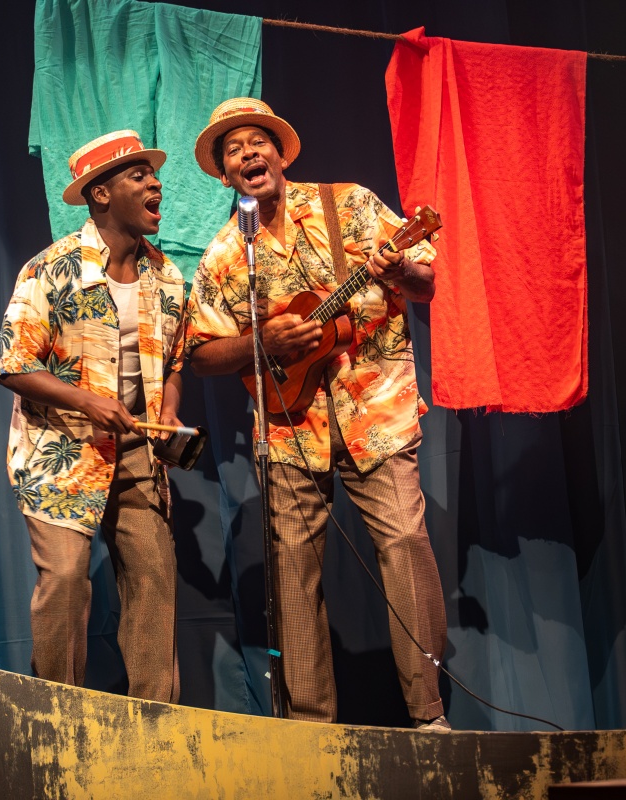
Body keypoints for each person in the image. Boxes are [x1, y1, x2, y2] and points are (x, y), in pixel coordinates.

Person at [184, 98, 450, 731]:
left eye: (258, 142)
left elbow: (425, 284)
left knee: (407, 544)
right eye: (233, 150)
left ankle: (430, 718)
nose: (248, 154)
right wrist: (263, 346)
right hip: (286, 429)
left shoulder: (350, 205)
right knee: (292, 575)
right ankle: (312, 733)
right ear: (226, 176)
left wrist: (402, 265)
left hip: (373, 413)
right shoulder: (226, 253)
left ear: (280, 154)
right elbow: (200, 353)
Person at [0, 130, 185, 702]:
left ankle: (159, 728)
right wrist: (87, 402)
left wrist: (170, 410)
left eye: (154, 175)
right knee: (66, 580)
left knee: (154, 580)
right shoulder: (50, 270)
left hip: (137, 451)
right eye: (138, 176)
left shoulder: (167, 276)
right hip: (63, 451)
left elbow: (176, 359)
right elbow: (13, 364)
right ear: (101, 194)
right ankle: (60, 720)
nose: (155, 182)